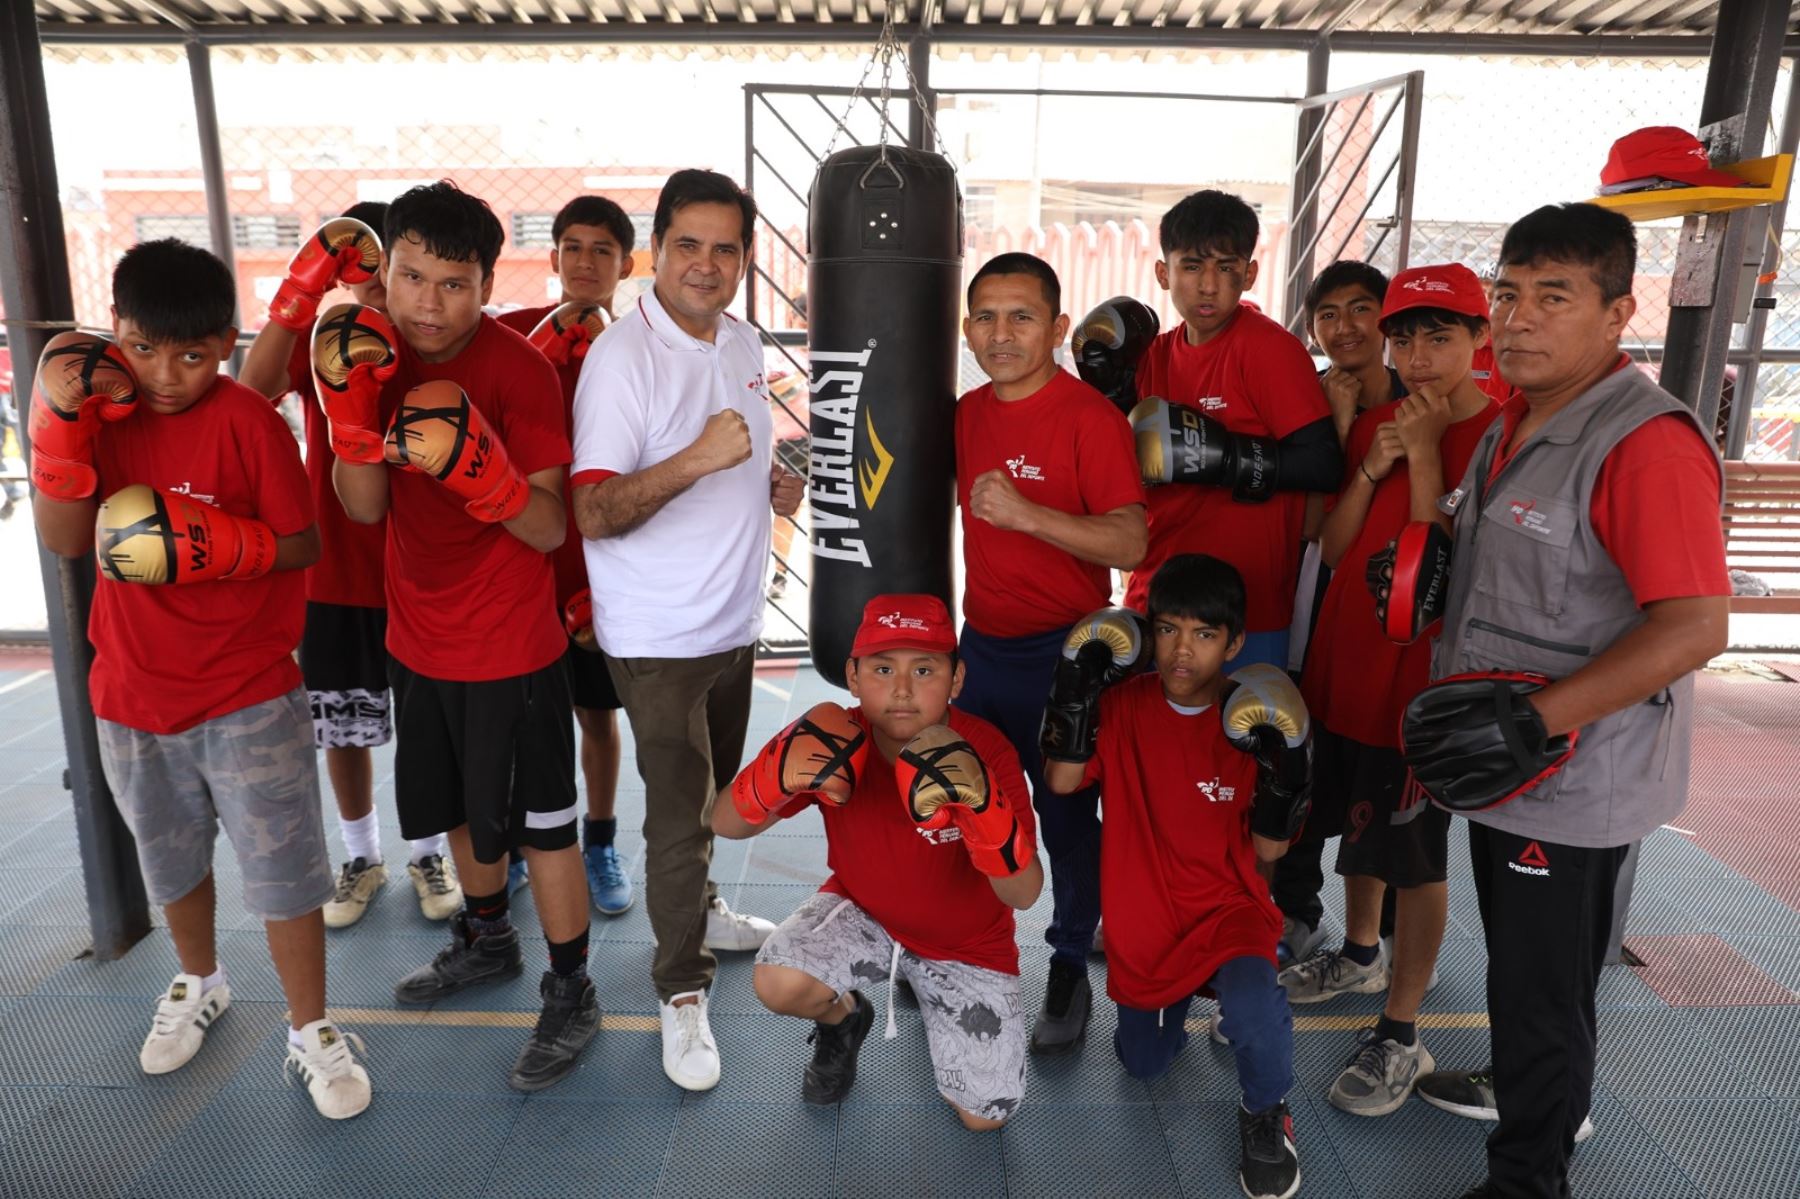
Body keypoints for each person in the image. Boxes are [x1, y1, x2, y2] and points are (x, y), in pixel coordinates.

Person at [1400, 204, 1729, 1199]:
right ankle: (1524, 1100)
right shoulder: (1516, 415)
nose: (1519, 318)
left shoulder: (1643, 440)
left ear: (1618, 310)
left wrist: (1537, 719)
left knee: (1545, 993)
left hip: (1573, 775)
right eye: (1508, 293)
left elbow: (1692, 627)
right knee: (1520, 973)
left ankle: (1528, 1179)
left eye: (1554, 297)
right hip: (1511, 767)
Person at [31, 239, 371, 1118]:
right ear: (118, 331)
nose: (167, 375)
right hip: (135, 693)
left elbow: (304, 544)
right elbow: (69, 539)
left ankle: (310, 1028)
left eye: (190, 354)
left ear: (225, 341)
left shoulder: (249, 422)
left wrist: (218, 546)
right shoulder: (101, 419)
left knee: (288, 871)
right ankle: (199, 979)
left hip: (249, 690)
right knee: (172, 859)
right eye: (144, 350)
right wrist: (60, 434)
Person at [332, 181, 598, 1092]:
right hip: (419, 637)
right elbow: (365, 509)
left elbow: (551, 527)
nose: (428, 304)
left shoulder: (520, 373)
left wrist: (481, 471)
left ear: (486, 282)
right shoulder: (370, 359)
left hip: (513, 647)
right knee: (452, 807)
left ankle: (572, 990)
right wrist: (349, 422)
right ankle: (486, 936)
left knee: (541, 828)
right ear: (388, 269)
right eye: (411, 277)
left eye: (453, 283)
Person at [569, 168, 800, 1092]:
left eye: (726, 248)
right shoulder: (622, 358)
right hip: (659, 637)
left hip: (732, 622)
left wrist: (768, 486)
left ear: (744, 258)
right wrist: (696, 458)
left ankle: (699, 913)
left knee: (712, 803)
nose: (707, 265)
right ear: (654, 252)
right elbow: (594, 511)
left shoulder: (739, 338)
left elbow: (742, 456)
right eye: (688, 245)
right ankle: (679, 990)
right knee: (675, 819)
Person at [1280, 264, 1500, 1118]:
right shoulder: (1381, 418)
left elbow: (1434, 572)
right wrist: (1369, 463)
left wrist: (1417, 456)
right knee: (1360, 831)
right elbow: (1333, 551)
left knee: (1415, 855)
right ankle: (1361, 950)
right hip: (1348, 667)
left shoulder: (1499, 433)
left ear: (1480, 338)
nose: (1418, 354)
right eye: (1405, 335)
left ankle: (1402, 1028)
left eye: (1438, 335)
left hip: (1423, 686)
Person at [714, 594, 1043, 1128]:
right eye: (883, 669)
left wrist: (984, 815)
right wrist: (770, 773)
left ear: (956, 679)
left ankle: (927, 989)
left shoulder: (987, 752)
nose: (902, 690)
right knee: (779, 982)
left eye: (925, 669)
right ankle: (844, 1020)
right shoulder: (836, 739)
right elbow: (724, 823)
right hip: (866, 912)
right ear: (853, 674)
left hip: (966, 946)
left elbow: (1025, 894)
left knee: (987, 1116)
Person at [1043, 555, 1308, 1199]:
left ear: (1236, 643)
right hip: (1148, 920)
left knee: (1253, 1007)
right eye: (1168, 630)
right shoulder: (1125, 706)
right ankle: (1185, 1000)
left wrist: (1290, 766)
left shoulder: (1255, 721)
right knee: (1143, 1065)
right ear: (1148, 630)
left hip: (1228, 912)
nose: (1182, 650)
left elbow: (1270, 847)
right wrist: (1075, 691)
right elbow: (1062, 781)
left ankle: (1266, 1112)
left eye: (1205, 634)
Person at [239, 201, 463, 929]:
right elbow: (252, 391)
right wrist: (299, 295)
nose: (379, 291)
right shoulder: (329, 338)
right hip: (334, 571)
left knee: (429, 728)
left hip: (418, 571)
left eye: (391, 275)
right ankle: (362, 852)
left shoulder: (438, 350)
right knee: (344, 728)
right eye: (365, 274)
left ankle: (428, 850)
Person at [950, 251, 1146, 1055]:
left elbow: (1130, 537)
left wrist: (1030, 516)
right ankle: (955, 945)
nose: (1003, 333)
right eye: (987, 317)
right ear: (967, 330)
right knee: (961, 801)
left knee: (1065, 816)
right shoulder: (965, 414)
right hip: (978, 648)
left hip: (1063, 657)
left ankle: (1068, 966)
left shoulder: (1087, 418)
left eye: (1022, 316)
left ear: (1059, 328)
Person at [495, 194, 638, 916]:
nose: (586, 261)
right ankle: (526, 841)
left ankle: (601, 838)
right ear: (552, 257)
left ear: (625, 264)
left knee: (596, 711)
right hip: (525, 559)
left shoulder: (644, 344)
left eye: (602, 250)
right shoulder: (512, 340)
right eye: (573, 247)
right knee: (522, 714)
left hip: (605, 563)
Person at [1130, 189, 1341, 672]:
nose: (1208, 285)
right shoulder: (1155, 356)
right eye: (1191, 267)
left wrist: (1226, 460)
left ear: (1248, 275)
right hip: (1157, 595)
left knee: (1239, 743)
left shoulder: (1268, 350)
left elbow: (1323, 462)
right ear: (1164, 274)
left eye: (1226, 268)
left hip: (1245, 611)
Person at [1274, 258, 1404, 967]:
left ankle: (1384, 930)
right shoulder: (1310, 399)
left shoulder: (1423, 406)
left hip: (1395, 613)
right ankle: (1299, 910)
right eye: (1328, 314)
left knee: (1379, 775)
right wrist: (1335, 424)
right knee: (1306, 756)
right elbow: (1312, 530)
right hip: (1317, 598)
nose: (1345, 327)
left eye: (1360, 309)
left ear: (1385, 320)